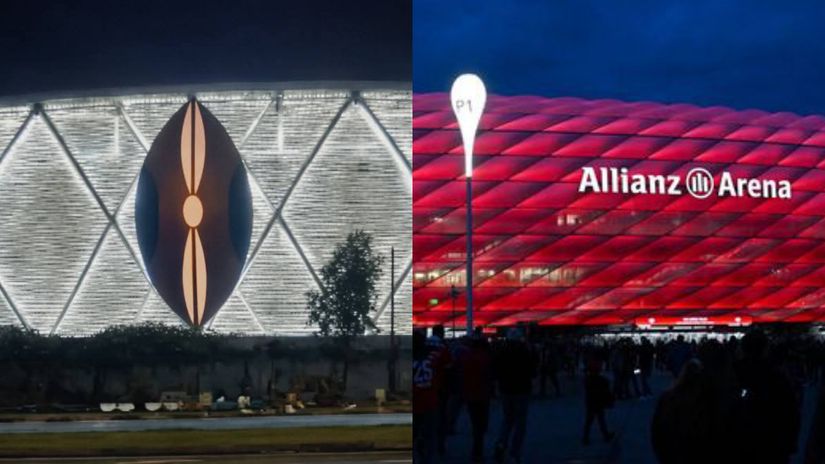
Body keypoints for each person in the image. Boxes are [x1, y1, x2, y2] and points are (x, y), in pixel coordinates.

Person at [731, 330, 800, 464]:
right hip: (771, 443)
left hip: (738, 441)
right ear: (765, 349)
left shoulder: (731, 373)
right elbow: (790, 412)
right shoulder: (777, 376)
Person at [493, 327, 537, 463]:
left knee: (507, 419)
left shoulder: (502, 351)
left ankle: (501, 443)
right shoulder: (524, 351)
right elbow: (533, 371)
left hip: (506, 390)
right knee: (520, 423)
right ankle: (514, 452)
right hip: (522, 390)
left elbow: (496, 370)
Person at [413, 329, 449, 464]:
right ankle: (427, 457)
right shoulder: (433, 356)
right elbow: (447, 366)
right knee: (430, 434)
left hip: (416, 401)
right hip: (430, 400)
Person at [462, 332, 494, 463]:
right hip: (483, 394)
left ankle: (477, 450)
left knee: (476, 423)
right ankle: (478, 450)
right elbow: (490, 375)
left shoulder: (467, 357)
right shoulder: (486, 357)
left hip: (471, 394)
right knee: (481, 424)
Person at [582, 356, 614, 446]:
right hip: (597, 401)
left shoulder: (588, 380)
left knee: (591, 420)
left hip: (591, 401)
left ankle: (586, 437)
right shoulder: (601, 380)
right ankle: (604, 435)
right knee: (599, 419)